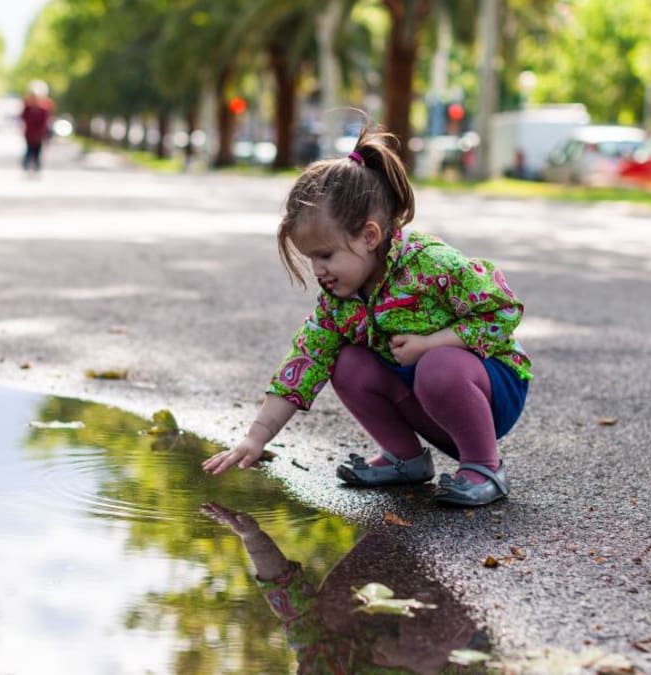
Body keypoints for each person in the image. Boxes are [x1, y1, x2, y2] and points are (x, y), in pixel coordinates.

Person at [201, 124, 531, 507]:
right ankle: (404, 458)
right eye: (310, 259)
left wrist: (433, 343)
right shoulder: (339, 300)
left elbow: (504, 309)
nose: (318, 270)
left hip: (489, 390)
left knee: (437, 366)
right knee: (344, 363)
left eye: (325, 255)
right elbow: (304, 362)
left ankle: (484, 466)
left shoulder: (430, 265)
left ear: (369, 236)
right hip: (427, 397)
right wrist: (255, 437)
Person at [201, 502, 488, 673]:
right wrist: (418, 661)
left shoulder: (322, 667)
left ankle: (397, 533)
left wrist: (252, 537)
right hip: (446, 623)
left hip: (389, 565)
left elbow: (291, 602)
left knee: (330, 615)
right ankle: (456, 566)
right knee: (425, 650)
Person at [20, 81, 54, 175]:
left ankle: (37, 168)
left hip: (39, 134)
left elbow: (45, 121)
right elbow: (23, 118)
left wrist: (44, 134)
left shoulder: (43, 109)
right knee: (29, 150)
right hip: (29, 134)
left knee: (37, 151)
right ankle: (26, 167)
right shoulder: (27, 108)